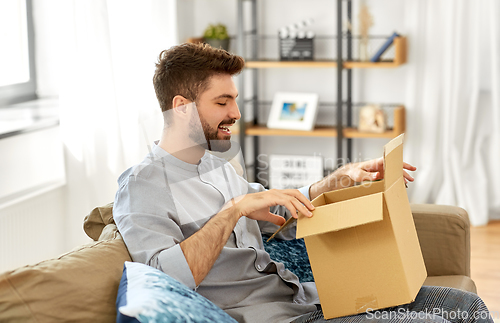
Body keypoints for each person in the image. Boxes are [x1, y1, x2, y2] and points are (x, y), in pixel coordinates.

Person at [113, 43, 493, 323]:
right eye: (222, 102)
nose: (236, 113)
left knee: (465, 307)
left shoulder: (215, 166)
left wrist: (335, 180)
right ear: (181, 107)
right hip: (278, 319)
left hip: (308, 299)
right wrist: (231, 211)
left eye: (235, 100)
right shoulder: (143, 186)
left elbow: (275, 209)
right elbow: (163, 277)